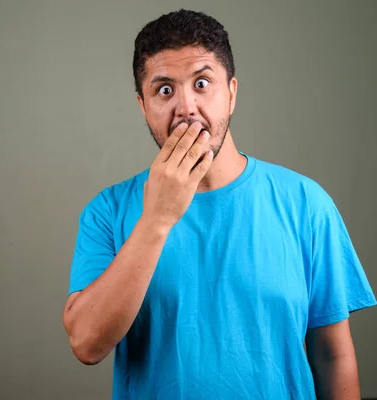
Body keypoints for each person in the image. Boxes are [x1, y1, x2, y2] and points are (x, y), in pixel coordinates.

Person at [62, 9, 376, 400]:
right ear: (142, 105)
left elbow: (333, 356)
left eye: (202, 83)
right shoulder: (107, 212)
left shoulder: (307, 204)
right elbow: (87, 344)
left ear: (231, 93)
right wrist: (158, 217)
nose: (186, 107)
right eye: (164, 90)